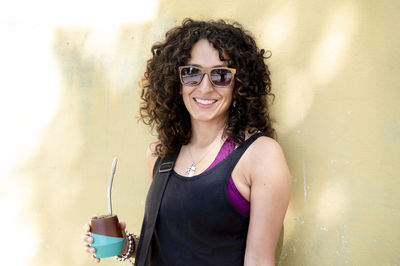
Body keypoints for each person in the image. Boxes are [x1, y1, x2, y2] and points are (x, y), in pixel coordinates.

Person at [82, 18, 291, 266]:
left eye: (220, 75)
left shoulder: (260, 155)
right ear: (176, 82)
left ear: (239, 84)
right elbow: (176, 247)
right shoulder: (160, 154)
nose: (204, 88)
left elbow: (259, 261)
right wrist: (124, 245)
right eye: (191, 73)